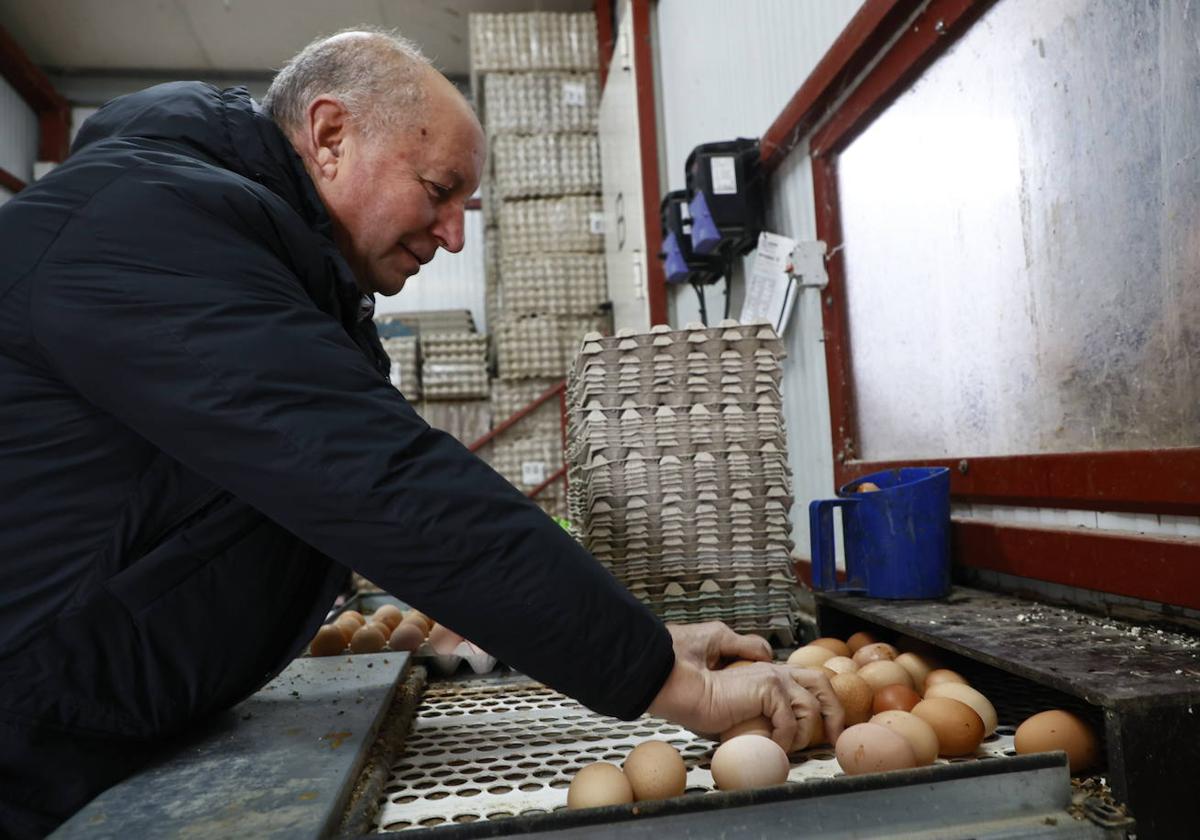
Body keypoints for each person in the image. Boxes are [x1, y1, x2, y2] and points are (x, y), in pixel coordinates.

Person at [0, 28, 842, 836]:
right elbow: (386, 486)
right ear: (330, 135)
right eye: (439, 192)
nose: (452, 235)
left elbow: (382, 489)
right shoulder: (145, 228)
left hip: (78, 726)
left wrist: (654, 639)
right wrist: (664, 680)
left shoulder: (275, 271)